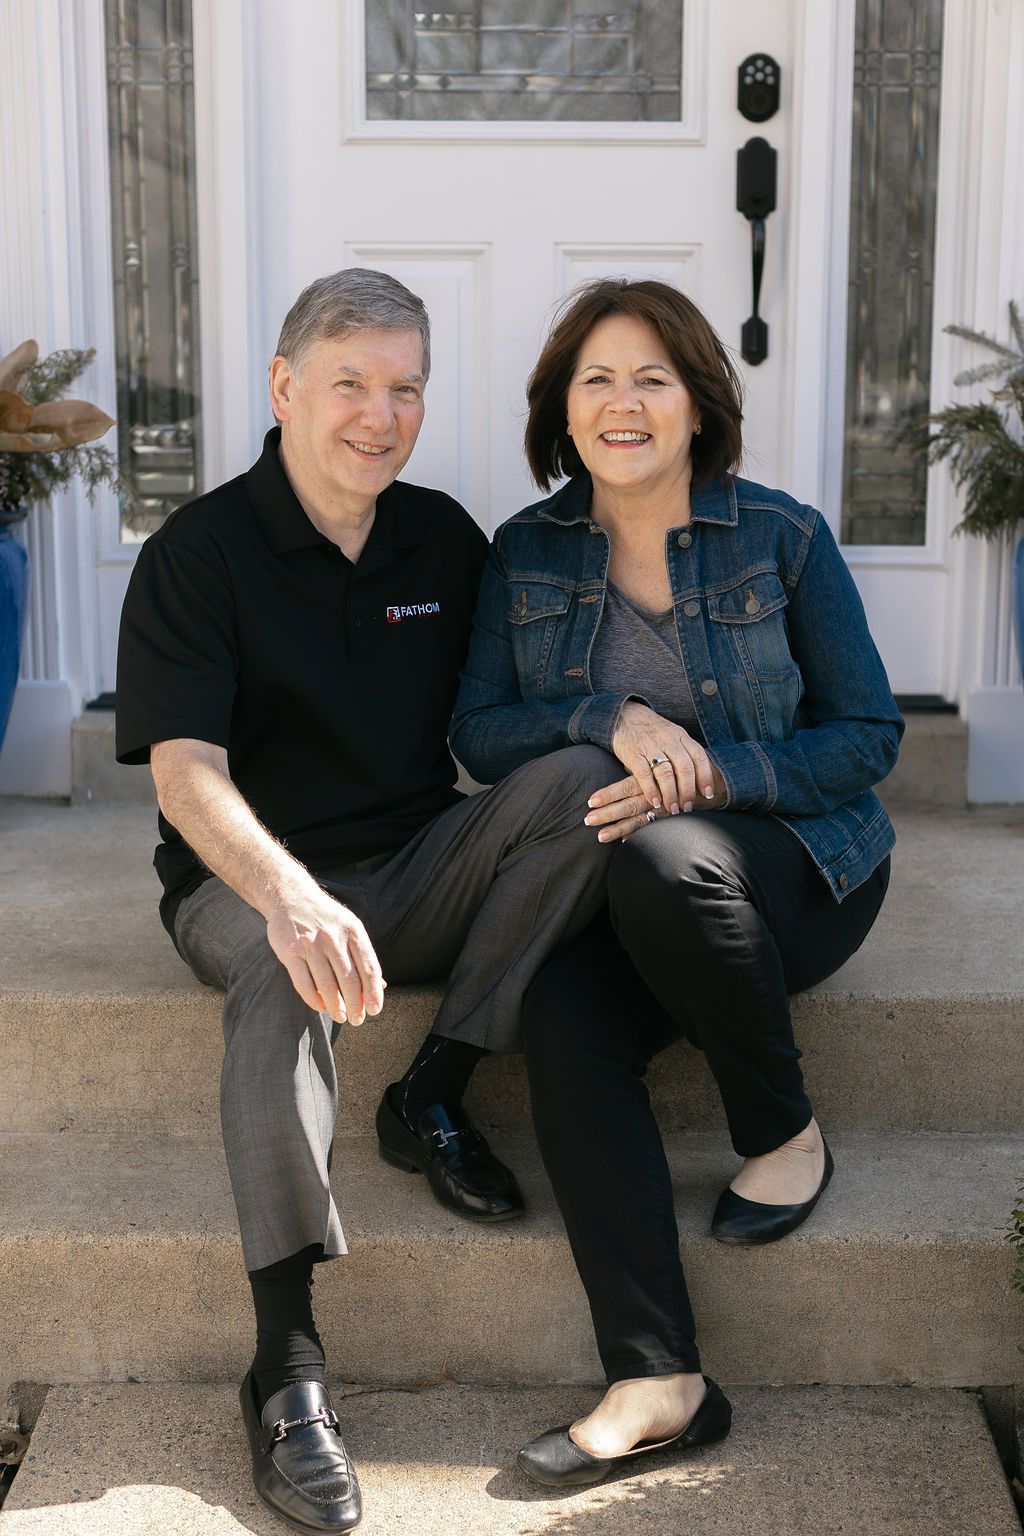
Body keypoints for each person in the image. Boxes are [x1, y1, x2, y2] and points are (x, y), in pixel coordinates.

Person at [115, 268, 616, 1533]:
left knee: (583, 786)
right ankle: (284, 1370)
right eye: (350, 384)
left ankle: (431, 1088)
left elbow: (510, 723)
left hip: (414, 863)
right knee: (285, 967)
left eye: (405, 389)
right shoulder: (197, 554)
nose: (377, 416)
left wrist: (624, 714)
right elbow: (185, 776)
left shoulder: (442, 539)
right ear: (284, 388)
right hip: (247, 885)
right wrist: (286, 896)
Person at [449, 278, 903, 1487]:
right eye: (595, 378)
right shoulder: (526, 551)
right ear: (562, 408)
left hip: (799, 869)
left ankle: (780, 1127)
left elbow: (866, 738)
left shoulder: (781, 537)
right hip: (632, 891)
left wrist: (707, 778)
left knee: (662, 852)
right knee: (558, 1020)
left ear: (699, 405)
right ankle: (659, 1378)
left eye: (652, 376)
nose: (622, 402)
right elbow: (481, 733)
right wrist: (613, 715)